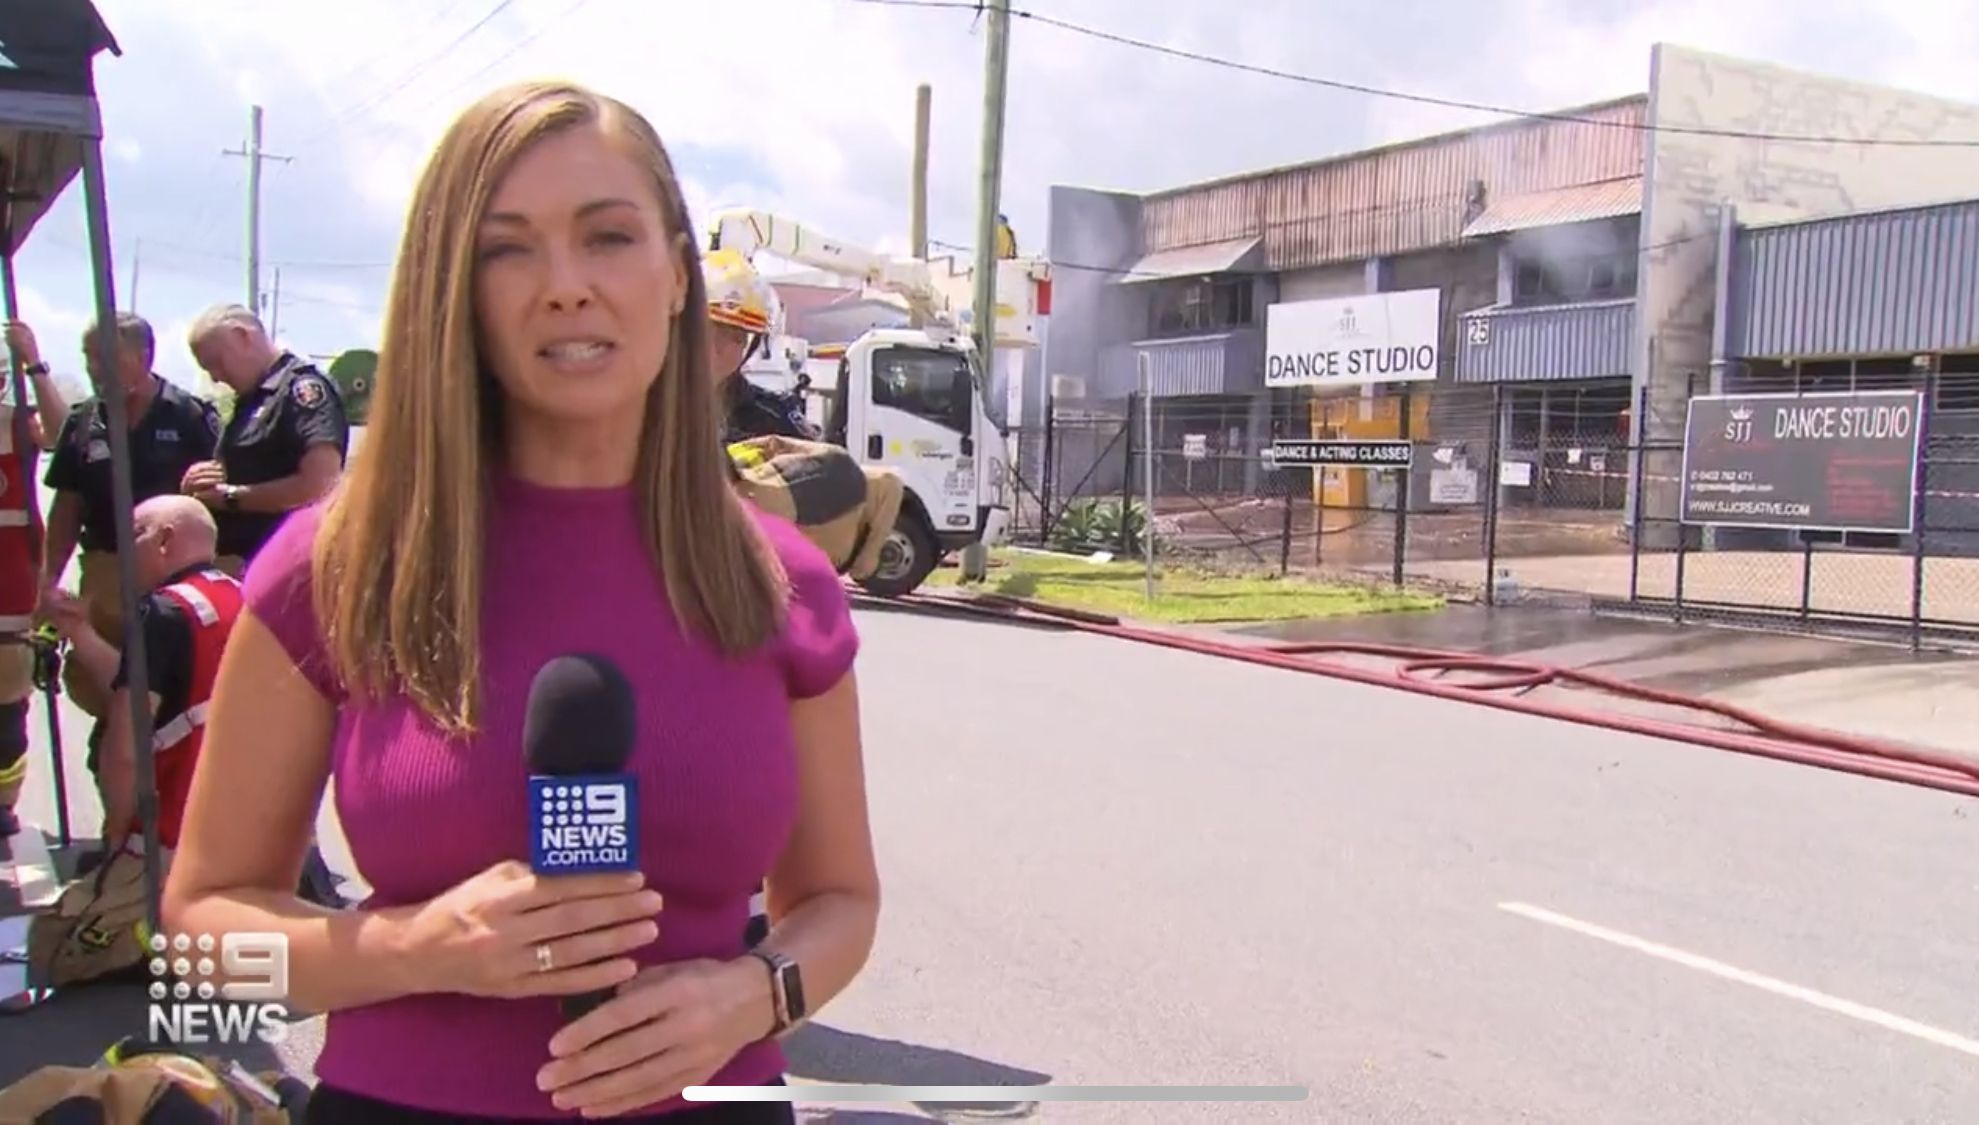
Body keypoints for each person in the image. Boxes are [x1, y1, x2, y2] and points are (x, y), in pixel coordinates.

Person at [163, 79, 879, 1123]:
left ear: (677, 276)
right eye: (507, 250)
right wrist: (413, 948)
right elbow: (202, 943)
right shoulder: (335, 565)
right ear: (451, 290)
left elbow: (841, 903)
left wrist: (755, 995)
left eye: (608, 237)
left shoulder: (780, 581)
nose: (565, 287)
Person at [37, 313, 219, 869]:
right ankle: (122, 831)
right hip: (107, 571)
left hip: (173, 572)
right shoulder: (84, 421)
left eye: (106, 358)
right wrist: (46, 580)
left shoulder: (189, 417)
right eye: (88, 358)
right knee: (110, 704)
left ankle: (174, 836)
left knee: (173, 706)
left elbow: (217, 500)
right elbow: (66, 508)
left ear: (143, 357)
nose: (95, 370)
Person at [41, 495, 238, 855]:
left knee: (89, 895)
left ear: (164, 539)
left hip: (175, 839)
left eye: (134, 536)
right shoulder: (238, 597)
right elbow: (160, 686)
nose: (123, 554)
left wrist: (117, 832)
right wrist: (80, 632)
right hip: (244, 830)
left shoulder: (162, 612)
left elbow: (125, 748)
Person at [181, 304, 349, 573]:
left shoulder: (299, 389)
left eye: (216, 362)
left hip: (285, 567)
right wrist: (204, 480)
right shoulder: (252, 398)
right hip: (244, 563)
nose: (215, 377)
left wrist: (231, 497)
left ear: (242, 337)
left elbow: (319, 484)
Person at [0, 320, 71, 839]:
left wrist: (34, 364)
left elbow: (68, 438)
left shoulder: (17, 422)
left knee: (6, 710)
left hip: (10, 587)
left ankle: (2, 804)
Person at [705, 248, 816, 442]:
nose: (718, 348)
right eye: (709, 331)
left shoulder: (774, 420)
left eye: (736, 338)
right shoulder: (649, 407)